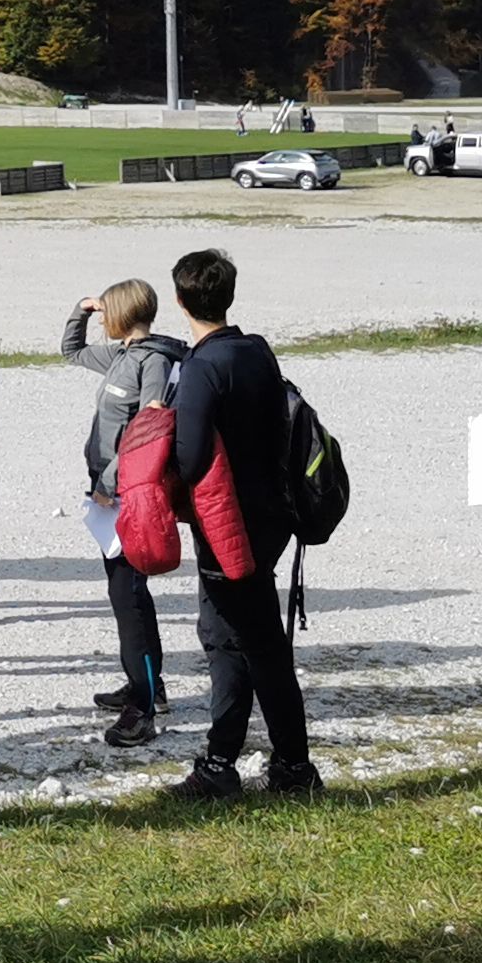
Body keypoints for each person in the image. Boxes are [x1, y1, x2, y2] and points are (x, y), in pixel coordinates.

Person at [163, 249, 320, 802]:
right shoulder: (256, 350)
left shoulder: (203, 366)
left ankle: (279, 767)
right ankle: (242, 762)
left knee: (246, 645)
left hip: (227, 523)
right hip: (271, 513)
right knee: (242, 639)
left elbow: (189, 458)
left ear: (180, 300)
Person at [64, 277, 182, 746]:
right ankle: (143, 684)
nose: (102, 319)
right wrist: (82, 309)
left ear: (123, 314)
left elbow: (150, 427)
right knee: (123, 593)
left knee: (129, 596)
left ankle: (145, 705)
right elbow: (71, 351)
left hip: (128, 493)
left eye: (106, 312)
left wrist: (109, 481)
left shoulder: (154, 361)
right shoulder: (121, 354)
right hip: (108, 496)